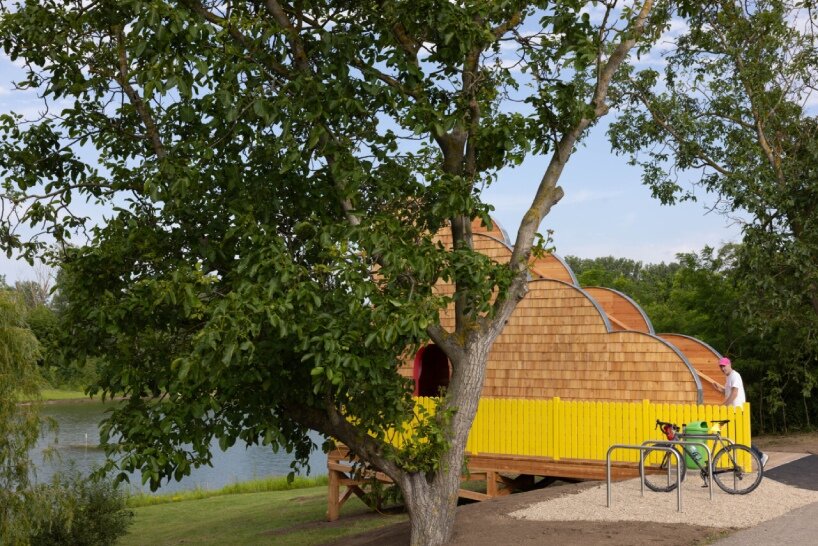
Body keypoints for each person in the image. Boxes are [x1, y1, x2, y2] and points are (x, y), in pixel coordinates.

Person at [715, 357, 769, 467]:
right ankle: (736, 458)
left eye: (724, 366)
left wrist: (723, 405)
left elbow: (734, 394)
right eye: (721, 366)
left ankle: (760, 455)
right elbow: (728, 392)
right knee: (734, 436)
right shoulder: (729, 378)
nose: (722, 368)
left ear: (729, 364)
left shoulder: (735, 376)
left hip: (737, 412)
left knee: (740, 436)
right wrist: (719, 389)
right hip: (732, 412)